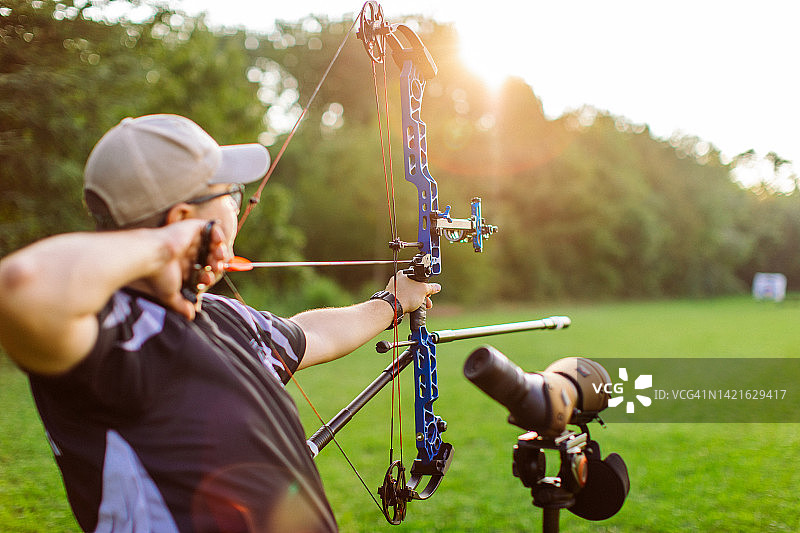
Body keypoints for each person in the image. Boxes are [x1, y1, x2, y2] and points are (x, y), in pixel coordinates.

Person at [0, 114, 440, 533]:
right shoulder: (111, 340)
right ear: (181, 223)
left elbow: (315, 334)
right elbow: (20, 286)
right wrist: (170, 246)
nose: (236, 206)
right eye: (228, 195)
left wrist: (393, 302)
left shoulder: (222, 317)